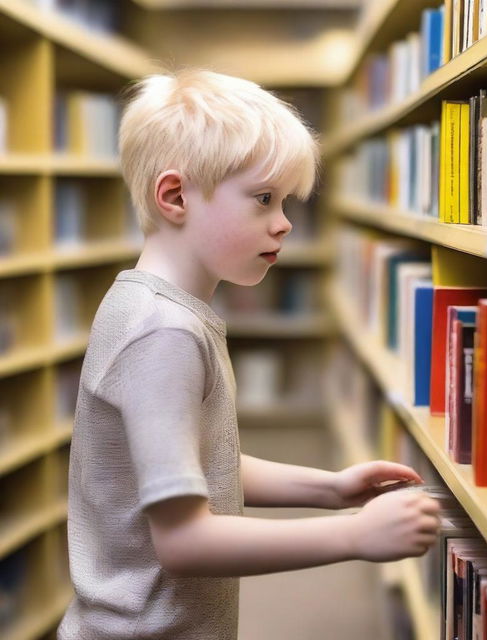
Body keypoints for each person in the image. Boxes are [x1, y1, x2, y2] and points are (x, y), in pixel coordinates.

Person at [57, 68, 441, 640]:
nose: (284, 222)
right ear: (175, 196)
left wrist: (329, 489)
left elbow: (198, 469)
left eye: (285, 201)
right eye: (264, 199)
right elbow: (185, 541)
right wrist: (354, 536)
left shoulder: (151, 307)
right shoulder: (164, 335)